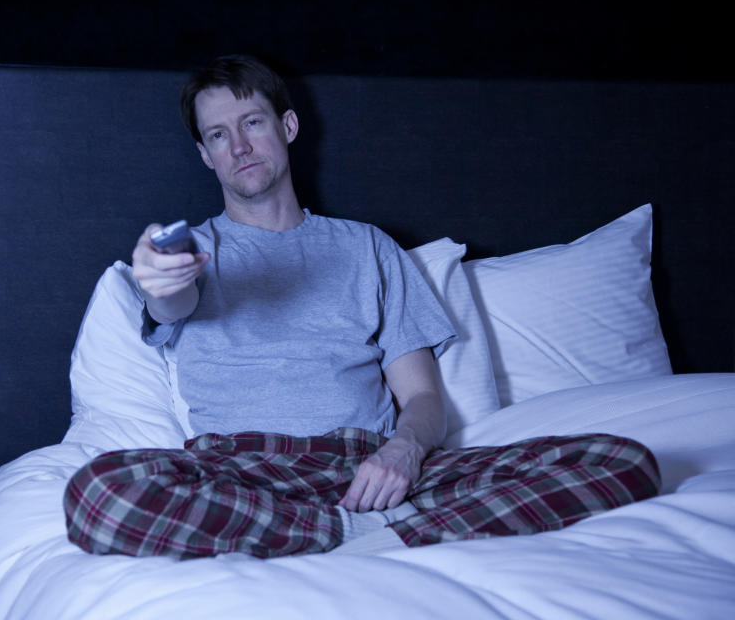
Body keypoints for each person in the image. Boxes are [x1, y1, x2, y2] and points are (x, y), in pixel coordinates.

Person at [63, 55, 660, 559]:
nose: (239, 146)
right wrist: (159, 279)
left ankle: (352, 530)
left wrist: (403, 453)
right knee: (99, 493)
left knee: (621, 460)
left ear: (288, 126)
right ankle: (376, 539)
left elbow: (423, 399)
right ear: (204, 155)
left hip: (367, 466)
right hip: (241, 472)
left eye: (252, 122)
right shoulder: (195, 249)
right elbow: (171, 303)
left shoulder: (369, 247)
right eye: (219, 134)